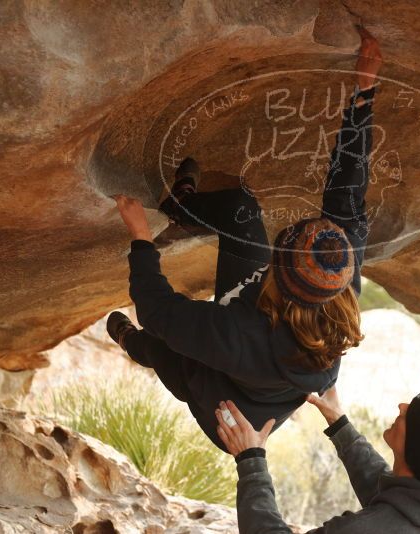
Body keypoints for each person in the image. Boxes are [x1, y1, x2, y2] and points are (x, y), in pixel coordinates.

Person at [108, 26, 383, 451]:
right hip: (264, 340)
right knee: (240, 209)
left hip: (231, 414)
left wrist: (141, 239)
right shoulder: (336, 265)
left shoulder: (241, 336)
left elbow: (158, 309)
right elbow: (347, 184)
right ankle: (181, 207)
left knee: (170, 349)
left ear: (278, 273)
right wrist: (364, 95)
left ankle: (132, 345)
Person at [214, 386, 420, 533]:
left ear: (417, 448)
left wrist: (251, 460)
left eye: (412, 414)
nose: (402, 406)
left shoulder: (364, 530)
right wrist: (340, 425)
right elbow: (398, 499)